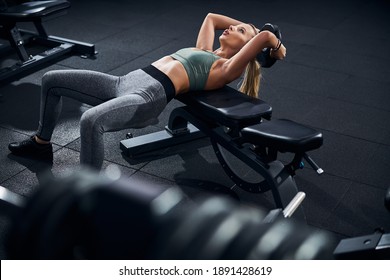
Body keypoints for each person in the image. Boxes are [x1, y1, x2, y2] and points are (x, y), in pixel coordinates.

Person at [8, 13, 286, 169]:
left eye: (238, 30)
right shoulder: (204, 50)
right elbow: (212, 17)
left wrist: (272, 45)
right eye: (234, 25)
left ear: (246, 51)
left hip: (147, 96)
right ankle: (41, 144)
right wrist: (248, 31)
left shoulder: (226, 69)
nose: (231, 27)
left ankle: (87, 194)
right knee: (52, 80)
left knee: (90, 120)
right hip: (124, 81)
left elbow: (264, 37)